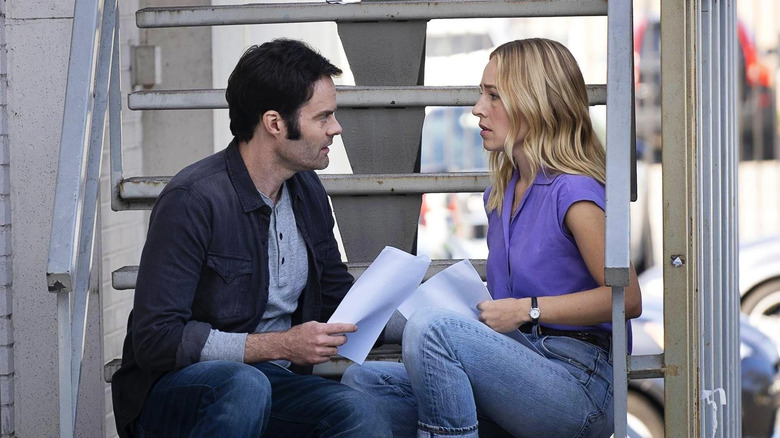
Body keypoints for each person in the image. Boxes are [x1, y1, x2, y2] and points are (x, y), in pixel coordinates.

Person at [341, 38, 642, 438]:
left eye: (494, 96)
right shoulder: (501, 194)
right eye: (482, 94)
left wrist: (525, 310)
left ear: (536, 103)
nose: (478, 109)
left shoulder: (574, 191)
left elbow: (628, 298)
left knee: (433, 328)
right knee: (364, 385)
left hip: (579, 384)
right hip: (518, 364)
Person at [111, 38, 393, 438]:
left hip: (273, 383)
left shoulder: (307, 190)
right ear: (275, 123)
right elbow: (157, 339)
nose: (336, 128)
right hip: (176, 390)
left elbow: (337, 302)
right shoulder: (193, 200)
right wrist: (280, 345)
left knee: (357, 410)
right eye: (323, 117)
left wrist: (422, 318)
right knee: (244, 385)